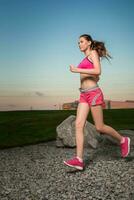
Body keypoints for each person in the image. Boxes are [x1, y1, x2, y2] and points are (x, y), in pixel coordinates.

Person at [63, 34, 130, 170]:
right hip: (83, 94)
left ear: (89, 42)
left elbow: (98, 70)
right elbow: (96, 74)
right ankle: (79, 159)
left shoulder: (93, 53)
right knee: (78, 125)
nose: (79, 44)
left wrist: (77, 70)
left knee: (99, 127)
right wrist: (92, 76)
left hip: (93, 93)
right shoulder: (85, 58)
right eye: (78, 42)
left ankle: (123, 140)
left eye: (81, 41)